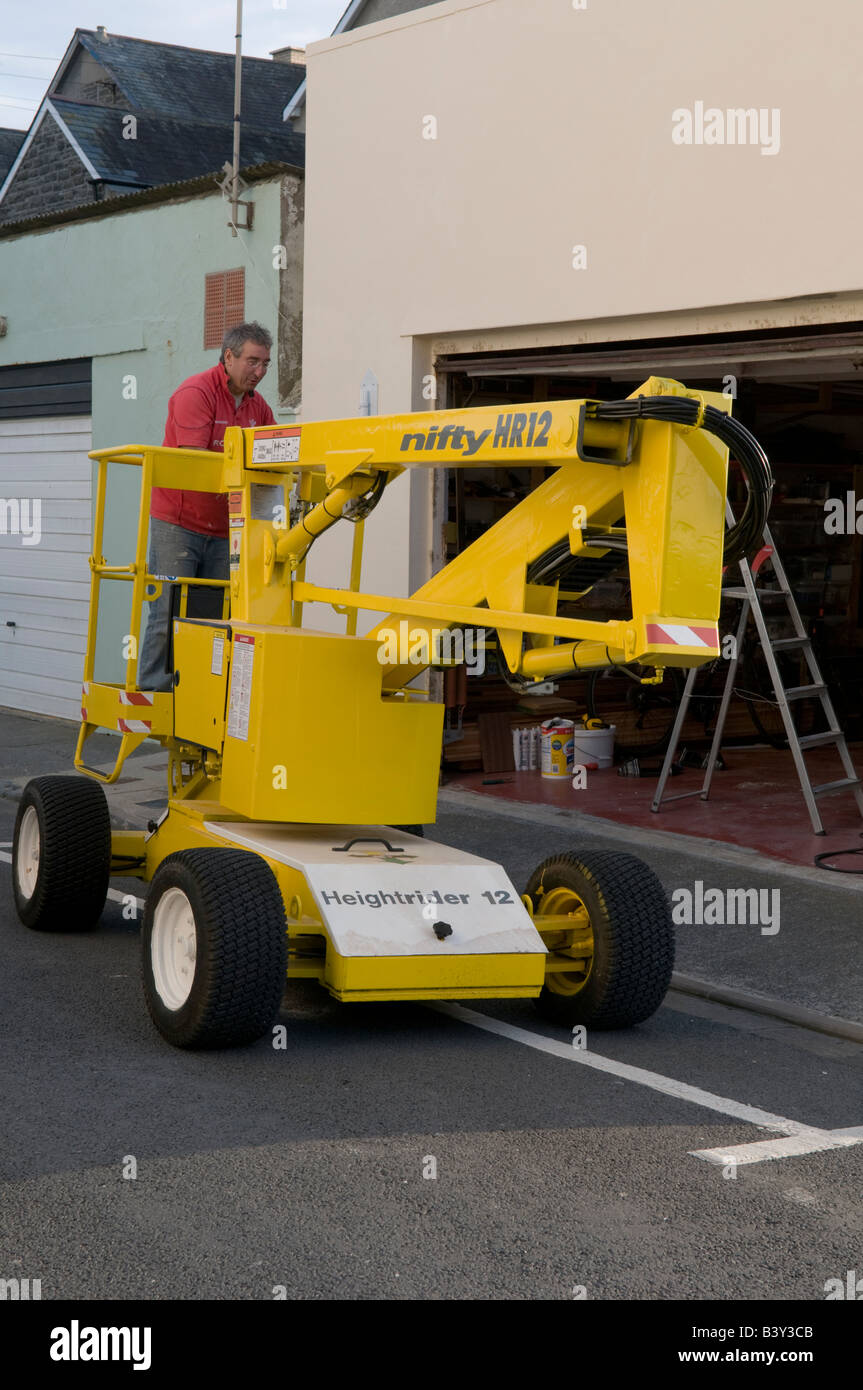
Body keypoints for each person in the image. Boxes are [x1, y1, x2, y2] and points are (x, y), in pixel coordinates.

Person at [137, 323, 276, 690]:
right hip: (179, 522)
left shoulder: (258, 407)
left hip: (226, 527)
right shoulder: (195, 393)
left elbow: (275, 457)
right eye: (252, 361)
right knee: (168, 610)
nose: (259, 371)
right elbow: (195, 463)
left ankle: (198, 695)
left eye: (266, 363)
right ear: (228, 356)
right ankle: (154, 692)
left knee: (212, 615)